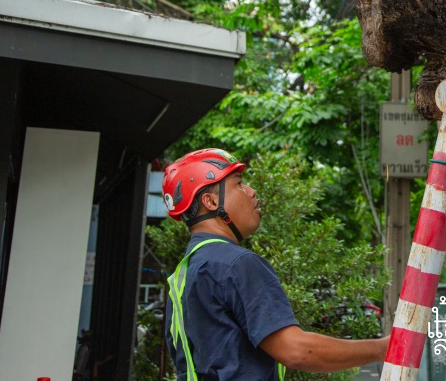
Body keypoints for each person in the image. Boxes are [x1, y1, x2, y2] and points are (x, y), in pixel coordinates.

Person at [161, 148, 389, 380]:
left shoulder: (184, 274)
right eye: (239, 184)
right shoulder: (237, 264)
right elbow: (298, 350)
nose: (251, 191)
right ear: (210, 201)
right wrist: (383, 349)